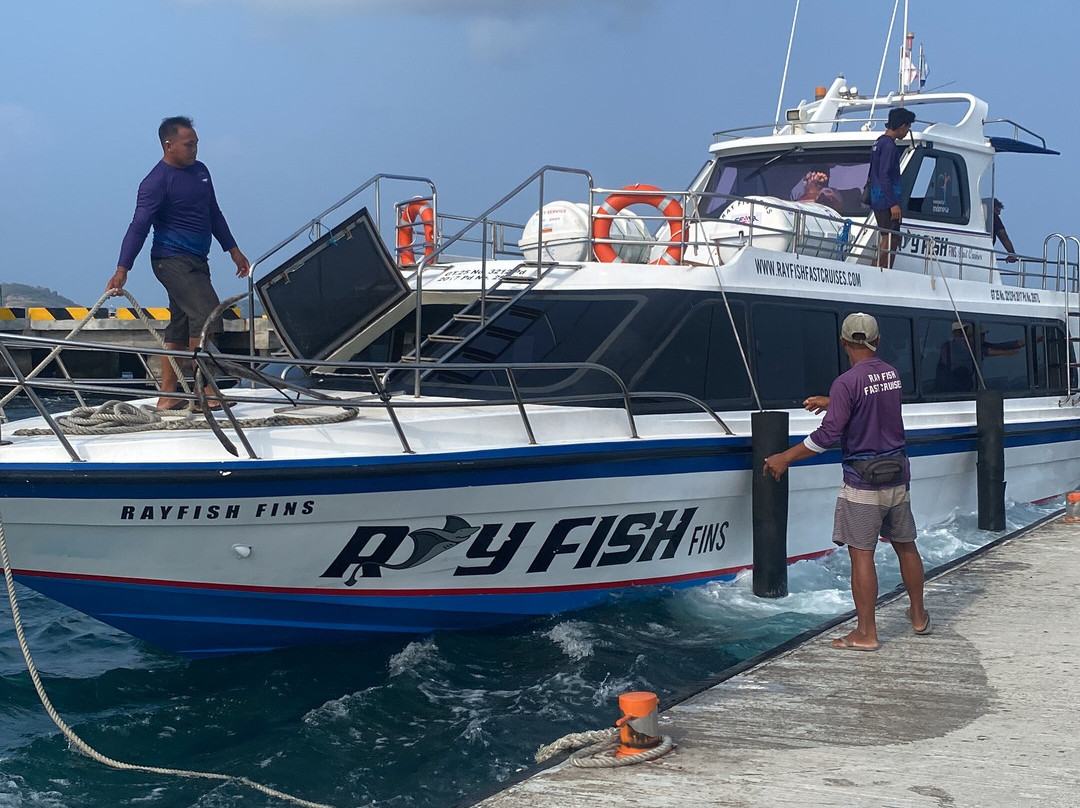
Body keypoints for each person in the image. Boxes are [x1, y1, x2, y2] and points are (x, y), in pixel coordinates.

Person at [763, 312, 930, 651]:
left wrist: (784, 457)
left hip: (863, 482)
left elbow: (827, 436)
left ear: (843, 342)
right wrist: (834, 403)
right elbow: (876, 405)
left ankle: (866, 634)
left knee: (862, 556)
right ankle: (918, 615)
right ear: (877, 340)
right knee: (906, 545)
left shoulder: (845, 383)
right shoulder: (892, 375)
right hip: (898, 477)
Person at [106, 116, 250, 410]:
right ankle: (205, 391)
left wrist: (233, 250)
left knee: (181, 326)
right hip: (170, 260)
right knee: (207, 314)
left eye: (196, 143)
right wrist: (123, 268)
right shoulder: (156, 181)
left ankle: (168, 396)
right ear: (169, 145)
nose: (195, 149)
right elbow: (139, 226)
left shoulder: (201, 172)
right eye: (189, 144)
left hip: (198, 260)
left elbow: (214, 212)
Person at [868, 107, 916, 268]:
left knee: (888, 236)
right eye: (908, 127)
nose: (907, 132)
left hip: (878, 197)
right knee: (891, 237)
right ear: (902, 126)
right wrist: (893, 203)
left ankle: (879, 267)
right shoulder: (889, 146)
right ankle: (879, 269)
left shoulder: (879, 142)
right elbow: (885, 175)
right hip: (886, 199)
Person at [992, 199, 1018, 263]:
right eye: (998, 210)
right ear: (994, 208)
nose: (999, 214)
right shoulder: (993, 217)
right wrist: (1012, 254)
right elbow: (1003, 236)